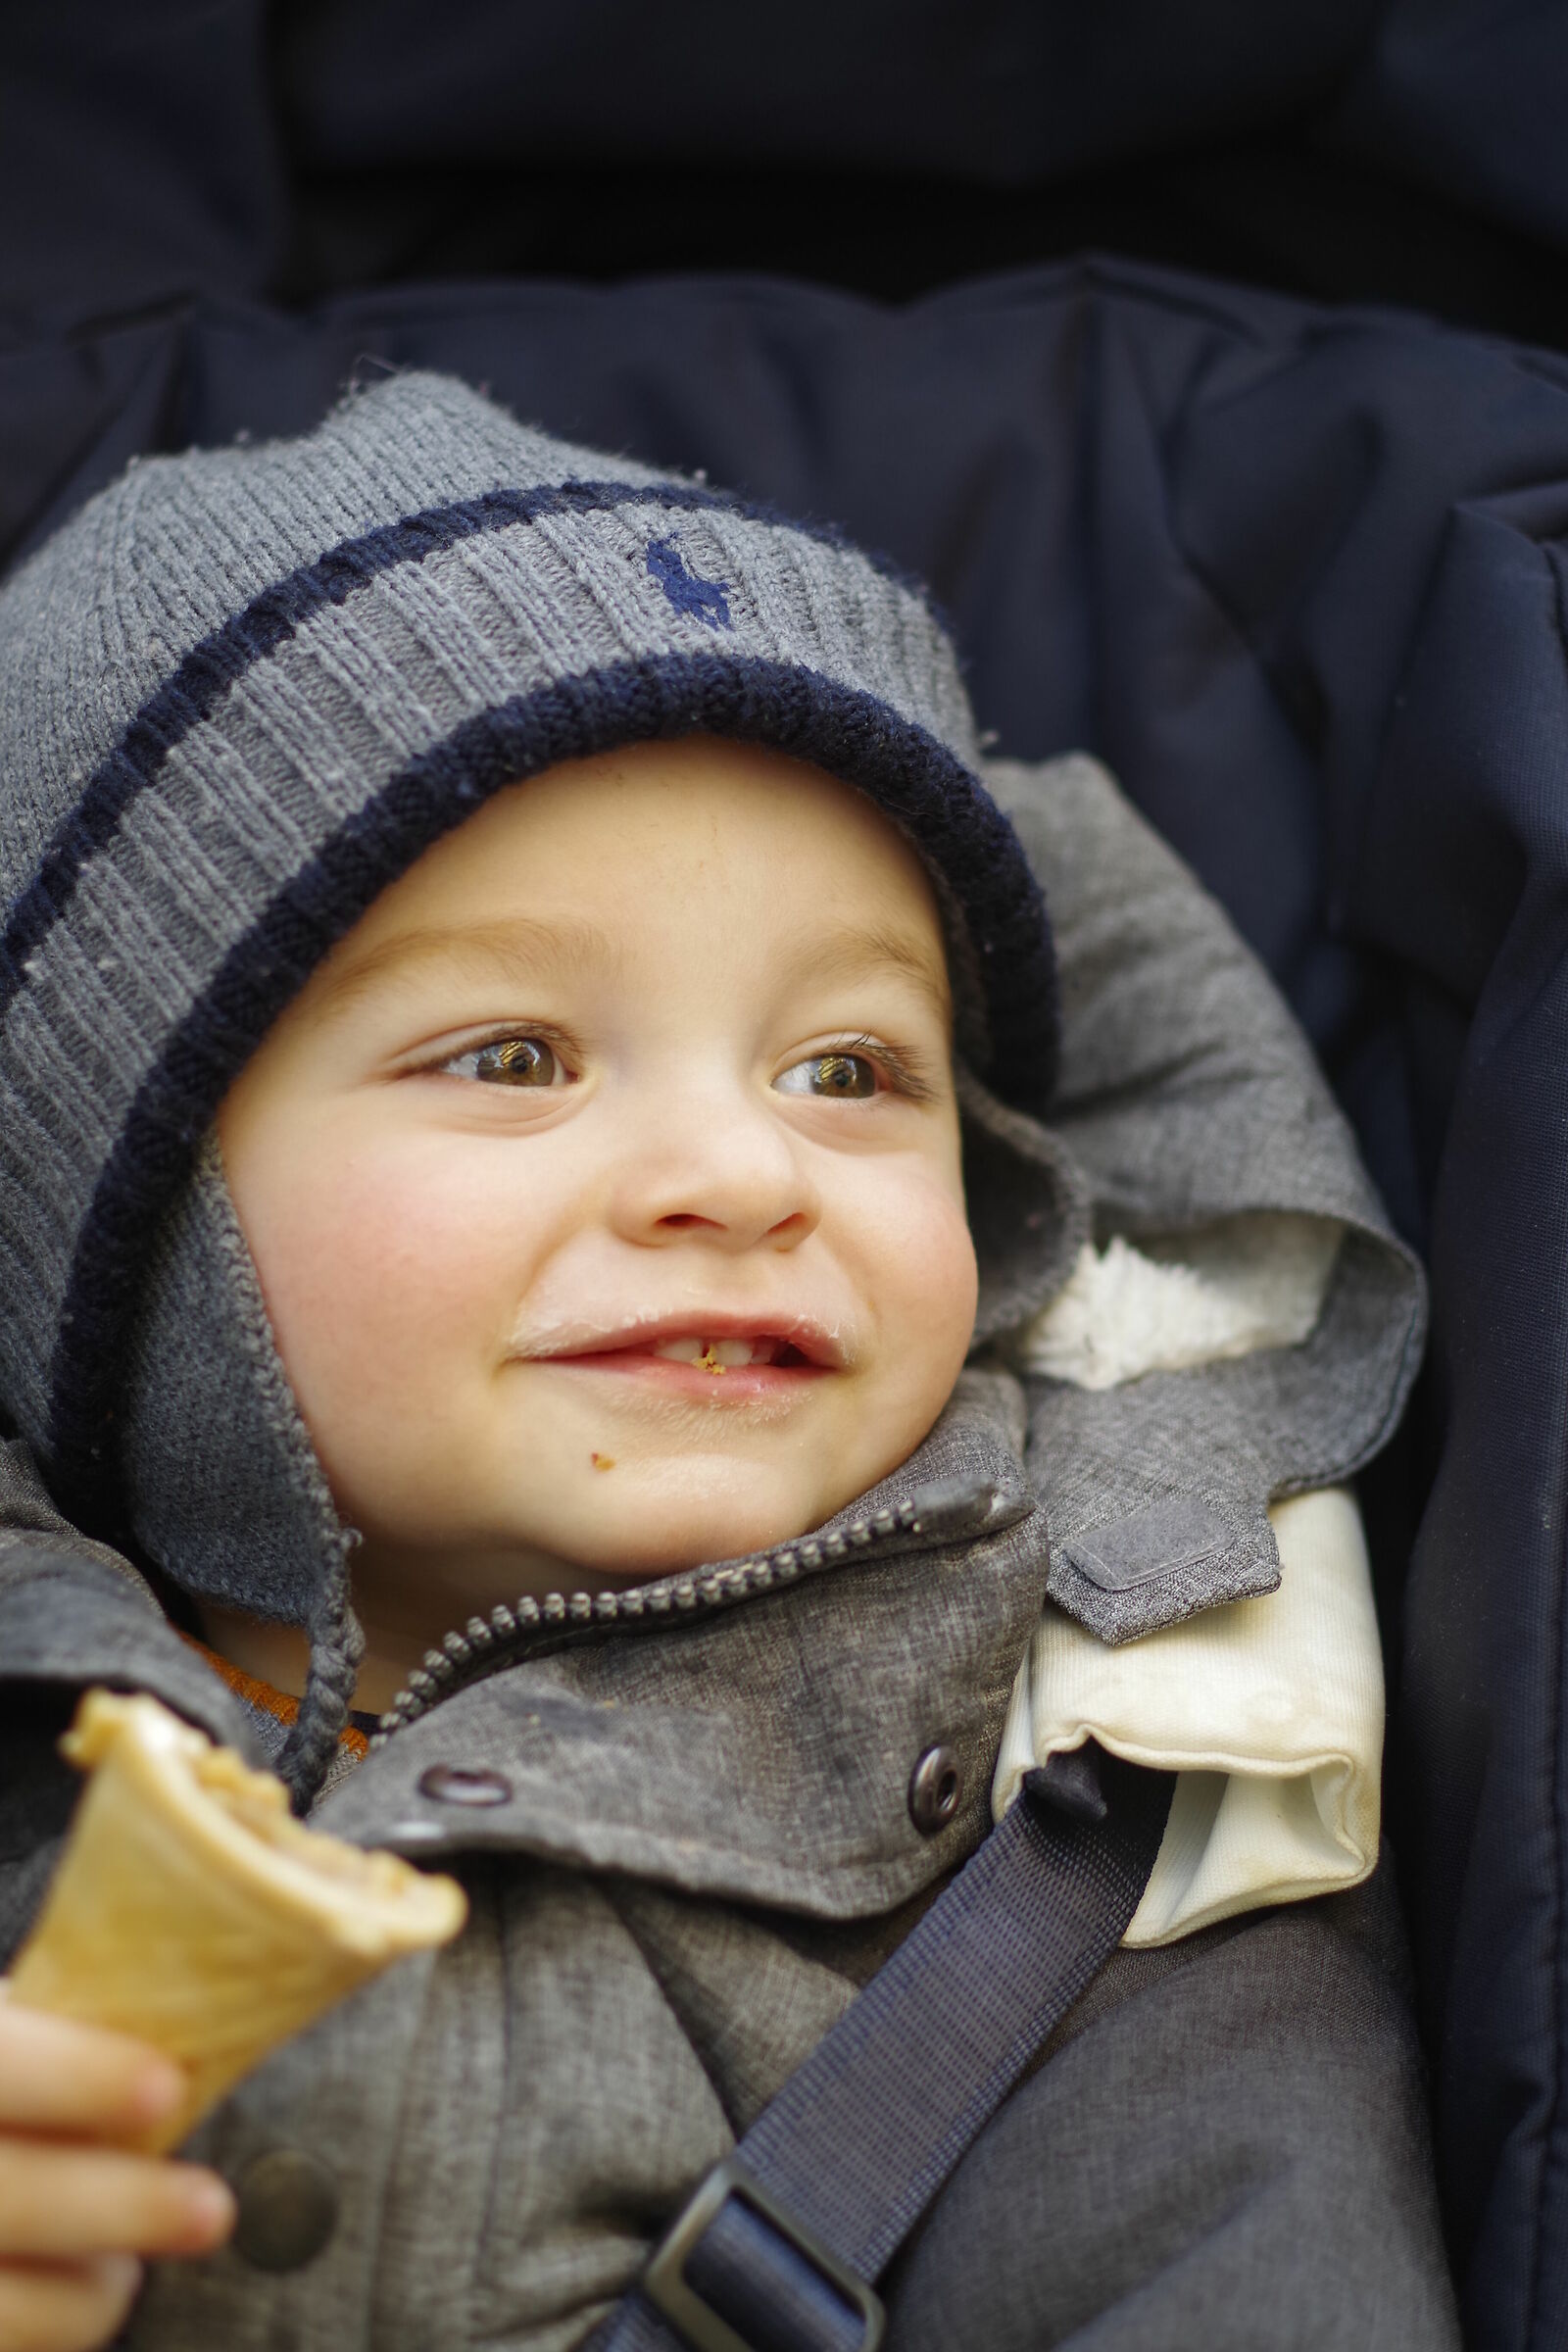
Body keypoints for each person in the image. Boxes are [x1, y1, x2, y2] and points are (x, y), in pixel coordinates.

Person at [0, 373, 1459, 2350]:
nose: (738, 1169)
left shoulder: (1111, 1785)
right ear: (127, 1198)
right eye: (512, 1058)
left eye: (848, 1071)